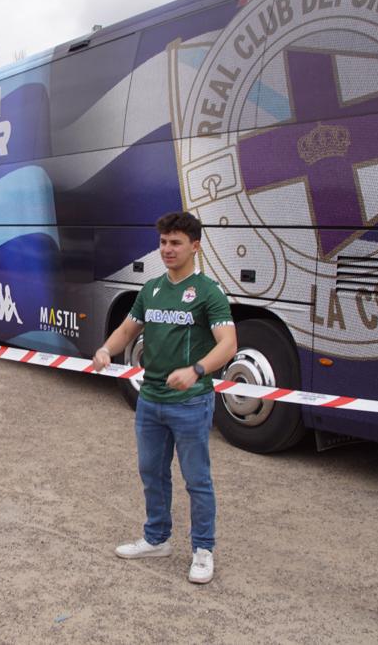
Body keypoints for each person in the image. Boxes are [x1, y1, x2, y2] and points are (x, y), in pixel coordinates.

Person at [93, 211, 237, 584]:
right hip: (151, 400)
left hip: (191, 402)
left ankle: (203, 550)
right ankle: (157, 539)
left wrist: (196, 371)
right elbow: (127, 330)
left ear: (195, 246)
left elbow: (228, 345)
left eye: (176, 243)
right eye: (163, 243)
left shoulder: (209, 292)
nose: (168, 249)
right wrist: (106, 350)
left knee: (196, 479)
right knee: (152, 473)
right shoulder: (152, 289)